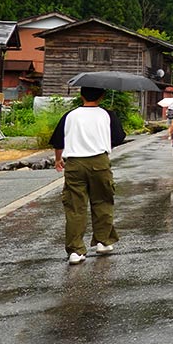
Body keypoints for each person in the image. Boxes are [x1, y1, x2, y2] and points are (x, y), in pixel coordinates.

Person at [51, 86, 127, 265]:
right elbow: (119, 138)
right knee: (103, 201)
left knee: (75, 206)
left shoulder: (70, 115)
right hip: (99, 161)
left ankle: (75, 251)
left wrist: (57, 159)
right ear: (102, 96)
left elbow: (58, 140)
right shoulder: (107, 115)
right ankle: (103, 241)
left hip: (74, 163)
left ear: (81, 95)